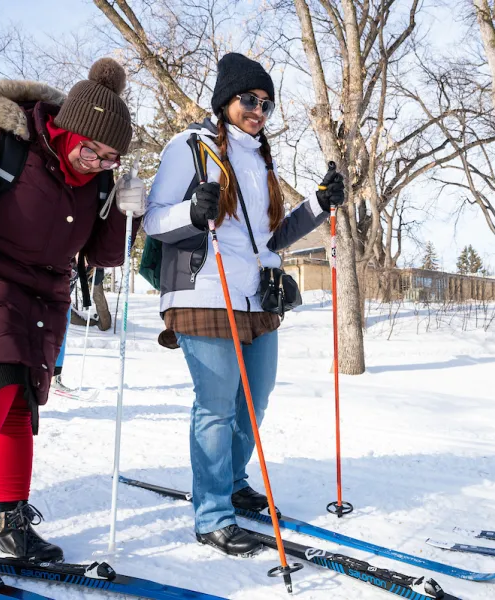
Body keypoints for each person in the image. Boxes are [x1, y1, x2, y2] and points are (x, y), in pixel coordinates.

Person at [0, 58, 146, 575]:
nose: (96, 163)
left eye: (110, 158)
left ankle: (13, 521)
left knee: (20, 400)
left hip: (46, 288)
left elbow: (104, 255)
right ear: (66, 128)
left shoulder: (101, 182)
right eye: (91, 149)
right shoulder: (3, 141)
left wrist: (131, 211)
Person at [144, 53, 344, 557]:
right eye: (249, 100)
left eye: (266, 104)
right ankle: (212, 513)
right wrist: (191, 211)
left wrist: (319, 203)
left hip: (256, 293)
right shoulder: (189, 148)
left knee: (254, 401)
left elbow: (271, 235)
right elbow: (152, 220)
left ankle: (232, 481)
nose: (258, 110)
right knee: (215, 406)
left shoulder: (260, 159)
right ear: (225, 101)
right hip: (203, 289)